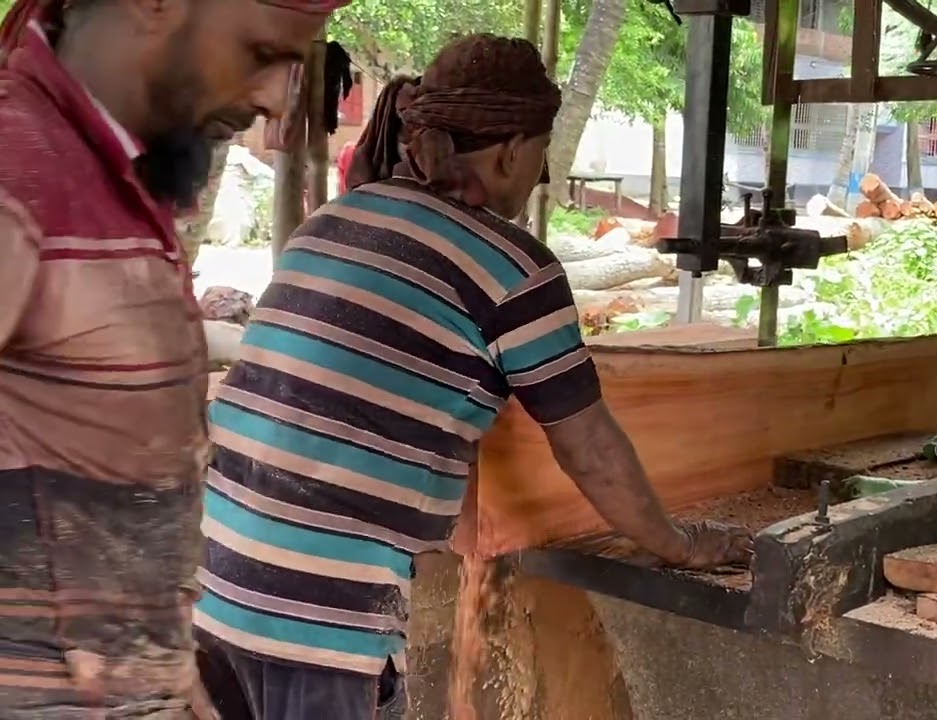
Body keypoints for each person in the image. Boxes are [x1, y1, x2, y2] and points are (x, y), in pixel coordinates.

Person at [194, 33, 754, 720]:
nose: (540, 175)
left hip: (214, 587)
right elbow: (589, 448)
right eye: (541, 153)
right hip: (324, 622)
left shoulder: (329, 224)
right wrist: (678, 544)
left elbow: (381, 393)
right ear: (513, 150)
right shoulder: (516, 272)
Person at [0, 0, 352, 716]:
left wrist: (160, 655)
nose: (272, 97)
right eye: (261, 53)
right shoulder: (18, 171)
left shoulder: (106, 176)